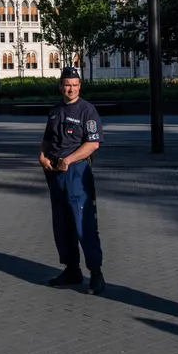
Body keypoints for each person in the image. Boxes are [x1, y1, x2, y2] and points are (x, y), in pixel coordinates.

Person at [39, 66, 105, 295]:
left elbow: (92, 143)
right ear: (61, 86)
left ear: (80, 86)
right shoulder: (55, 110)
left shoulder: (88, 110)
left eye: (75, 85)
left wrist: (69, 159)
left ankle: (96, 274)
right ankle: (71, 269)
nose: (71, 89)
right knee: (62, 223)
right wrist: (42, 155)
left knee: (83, 221)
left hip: (76, 172)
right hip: (55, 172)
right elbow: (48, 138)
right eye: (67, 84)